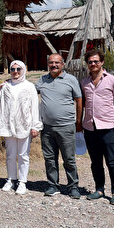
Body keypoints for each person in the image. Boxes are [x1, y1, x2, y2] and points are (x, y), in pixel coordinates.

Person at [80, 49, 114, 205]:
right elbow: (84, 103)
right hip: (89, 127)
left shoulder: (113, 81)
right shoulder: (84, 82)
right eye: (90, 62)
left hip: (107, 127)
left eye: (96, 61)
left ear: (102, 62)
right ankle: (99, 189)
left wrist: (111, 115)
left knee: (112, 161)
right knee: (95, 161)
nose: (93, 64)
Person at [35, 54, 83, 199]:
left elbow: (79, 100)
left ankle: (73, 186)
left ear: (62, 64)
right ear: (48, 64)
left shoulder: (71, 80)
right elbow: (29, 92)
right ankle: (53, 185)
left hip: (66, 126)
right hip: (47, 127)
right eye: (51, 63)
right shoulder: (42, 80)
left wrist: (79, 122)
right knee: (49, 158)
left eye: (57, 62)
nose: (54, 65)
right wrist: (10, 83)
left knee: (69, 159)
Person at [0, 60, 41, 195]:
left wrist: (35, 126)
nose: (15, 72)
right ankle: (11, 179)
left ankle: (23, 181)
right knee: (10, 155)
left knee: (23, 155)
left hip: (24, 125)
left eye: (18, 69)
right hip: (8, 125)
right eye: (12, 69)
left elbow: (34, 107)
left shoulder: (30, 86)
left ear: (23, 70)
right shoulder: (6, 86)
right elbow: (0, 105)